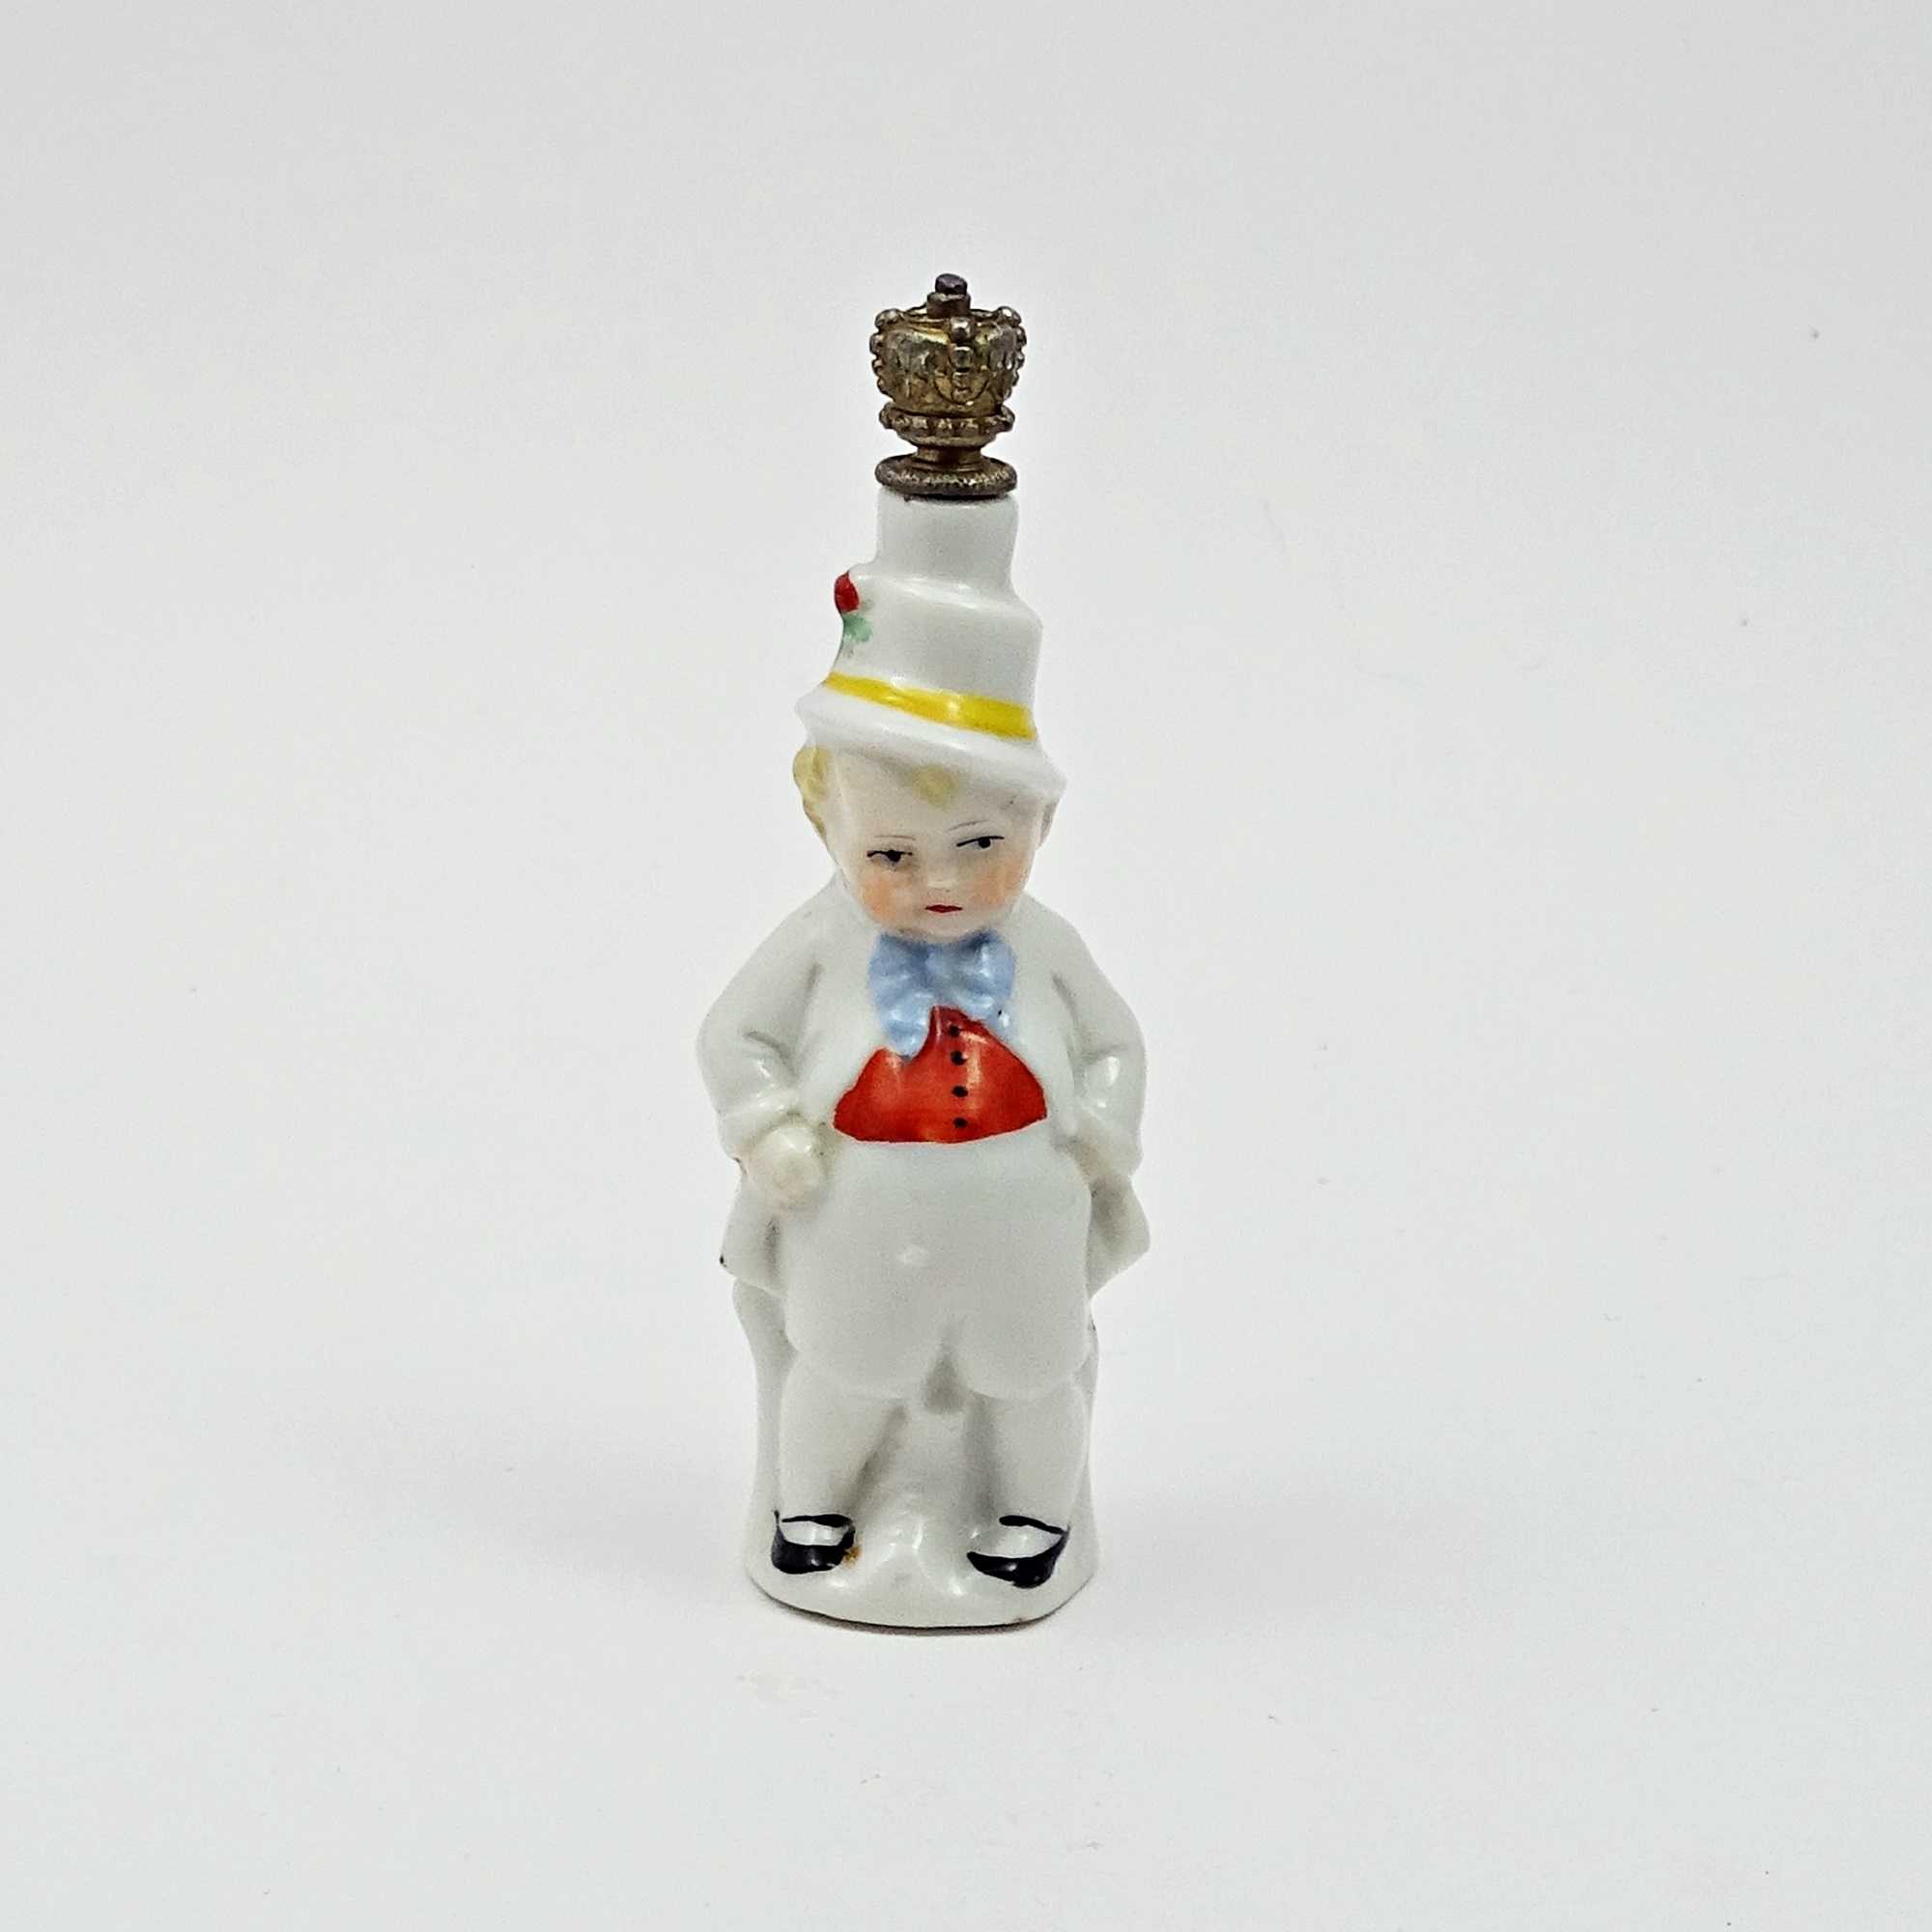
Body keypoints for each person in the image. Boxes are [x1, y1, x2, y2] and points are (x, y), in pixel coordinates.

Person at [698, 485, 1148, 1627]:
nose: (940, 881)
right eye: (892, 852)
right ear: (827, 828)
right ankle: (815, 1509)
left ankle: (1030, 1514)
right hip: (860, 1212)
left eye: (979, 843)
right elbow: (734, 1035)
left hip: (1019, 1217)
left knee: (1031, 1371)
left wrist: (1101, 1129)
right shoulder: (816, 942)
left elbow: (1113, 1041)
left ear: (1040, 826)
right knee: (846, 1364)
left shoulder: (1046, 947)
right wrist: (767, 1128)